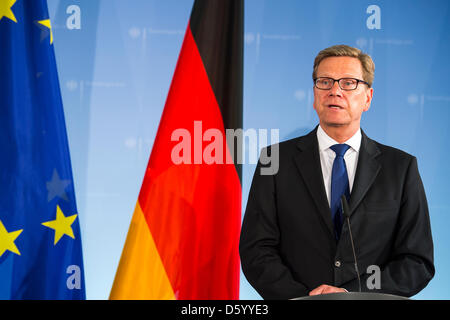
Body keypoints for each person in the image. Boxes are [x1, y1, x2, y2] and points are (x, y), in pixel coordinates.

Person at [239, 45, 434, 299]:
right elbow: (257, 250)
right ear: (314, 93)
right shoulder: (274, 160)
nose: (335, 91)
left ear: (368, 98)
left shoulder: (401, 168)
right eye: (325, 81)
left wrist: (348, 295)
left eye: (348, 83)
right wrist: (303, 299)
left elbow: (416, 261)